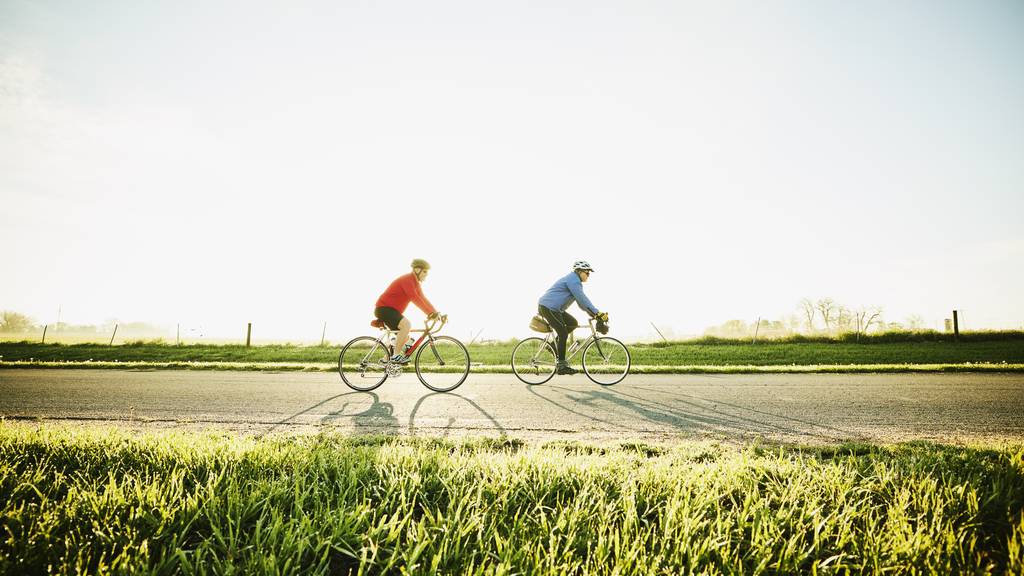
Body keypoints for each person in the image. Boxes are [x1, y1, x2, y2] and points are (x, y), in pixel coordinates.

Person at [537, 261, 609, 375]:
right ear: (579, 271)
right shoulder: (573, 280)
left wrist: (594, 314)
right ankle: (561, 366)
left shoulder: (574, 281)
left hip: (555, 309)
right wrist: (597, 312)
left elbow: (581, 304)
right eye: (587, 273)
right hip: (548, 307)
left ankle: (552, 346)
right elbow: (582, 299)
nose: (588, 275)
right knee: (563, 333)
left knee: (573, 323)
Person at [375, 259, 442, 364]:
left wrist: (436, 313)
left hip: (391, 310)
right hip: (384, 308)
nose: (426, 274)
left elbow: (423, 299)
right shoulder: (407, 280)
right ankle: (395, 356)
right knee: (406, 325)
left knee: (405, 338)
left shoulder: (415, 284)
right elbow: (414, 298)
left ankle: (385, 360)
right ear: (417, 269)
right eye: (425, 271)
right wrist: (429, 313)